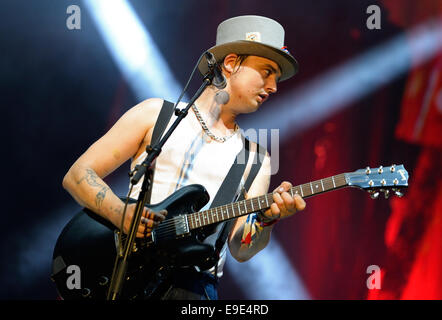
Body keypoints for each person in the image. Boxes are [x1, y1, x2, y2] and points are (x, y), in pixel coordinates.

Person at [62, 15, 306, 300]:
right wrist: (120, 214)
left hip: (192, 291)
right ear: (230, 63)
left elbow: (241, 249)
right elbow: (78, 174)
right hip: (124, 273)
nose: (274, 86)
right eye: (266, 71)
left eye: (277, 78)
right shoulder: (155, 115)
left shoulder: (256, 158)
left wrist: (266, 221)